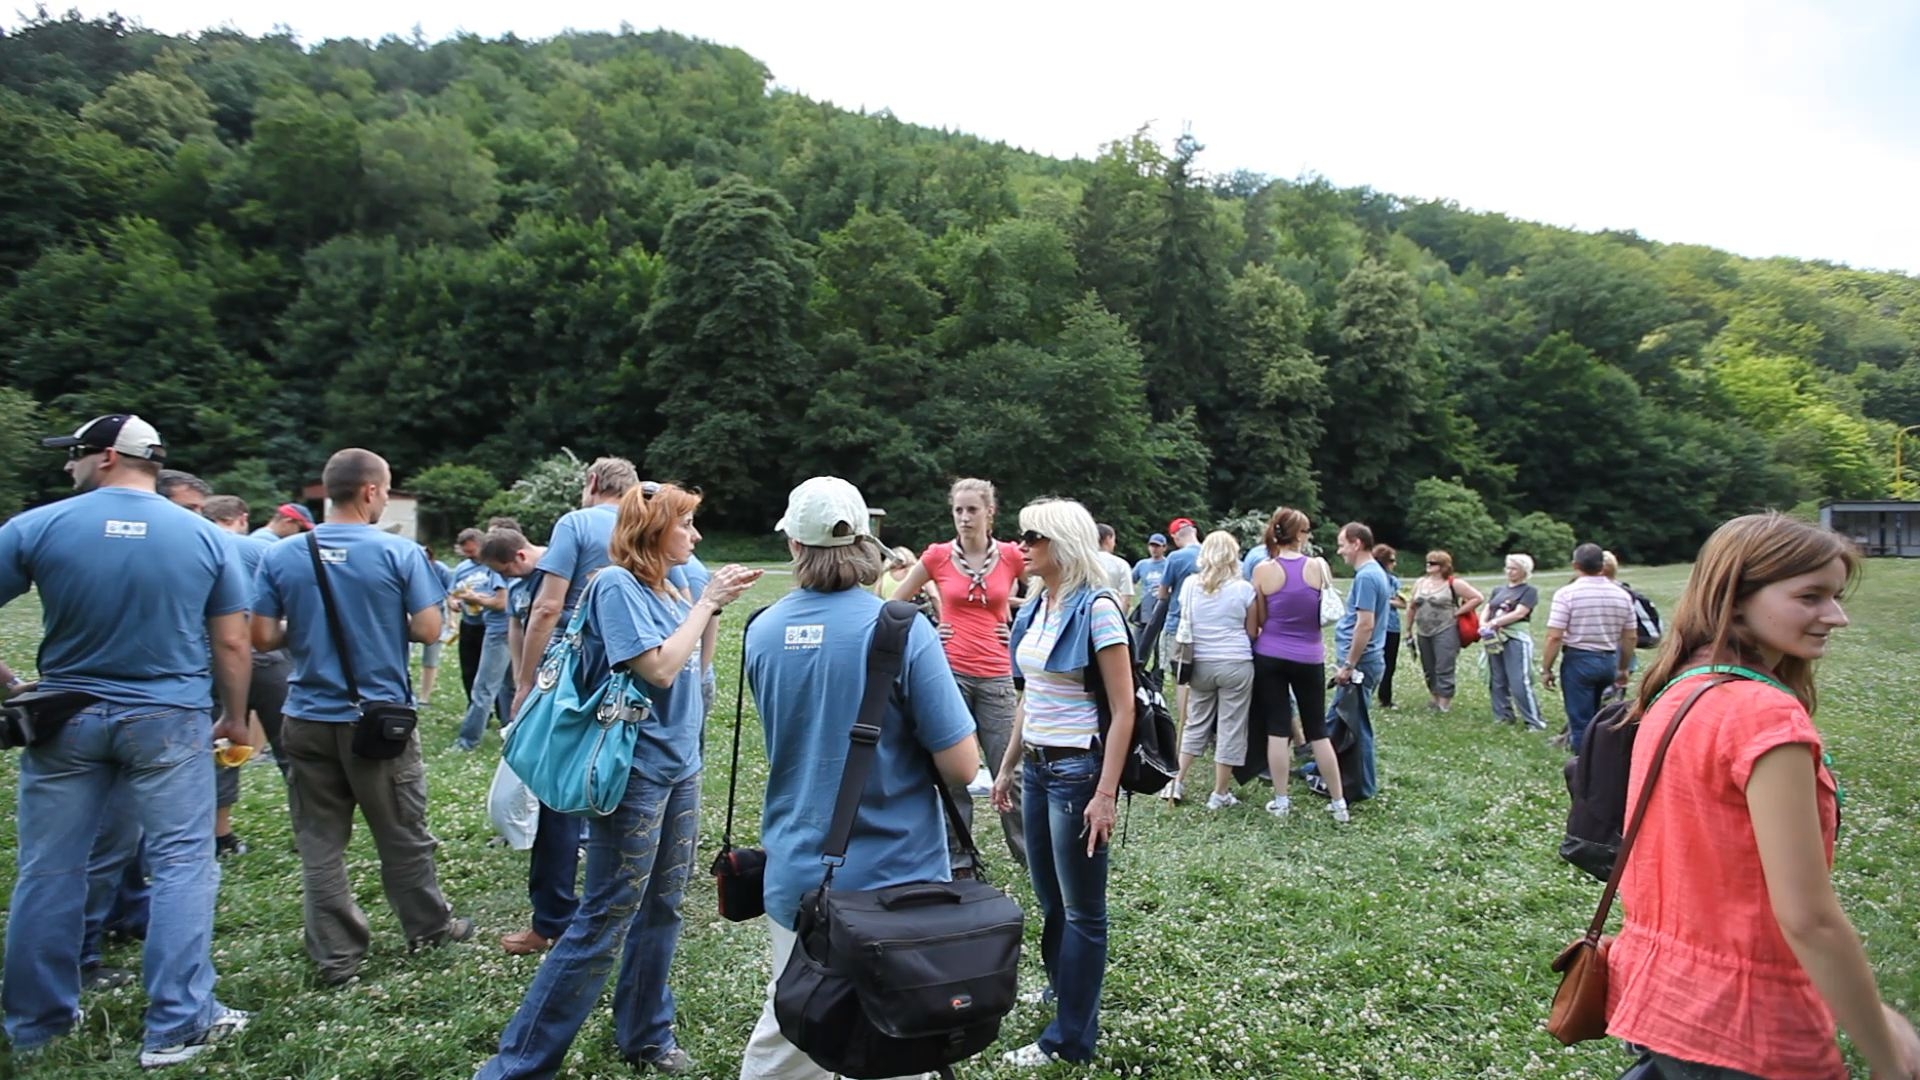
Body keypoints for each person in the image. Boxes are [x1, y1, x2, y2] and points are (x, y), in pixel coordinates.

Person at [1608, 512, 1920, 1080]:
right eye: (1811, 596)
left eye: (1835, 595)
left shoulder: (1681, 687)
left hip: (1667, 996)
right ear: (1738, 595)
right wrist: (1887, 1052)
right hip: (1748, 1024)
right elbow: (1808, 918)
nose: (1837, 616)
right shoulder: (1762, 713)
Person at [476, 484, 761, 1079]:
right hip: (633, 775)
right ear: (653, 531)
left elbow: (686, 659)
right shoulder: (615, 585)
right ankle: (516, 1066)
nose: (697, 535)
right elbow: (657, 667)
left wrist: (701, 603)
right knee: (605, 915)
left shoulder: (667, 587)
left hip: (680, 767)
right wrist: (706, 604)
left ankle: (646, 1035)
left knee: (664, 906)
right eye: (686, 524)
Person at [1, 414, 254, 1066]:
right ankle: (179, 1023)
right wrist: (234, 715)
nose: (68, 467)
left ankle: (35, 1022)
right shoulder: (206, 537)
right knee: (181, 864)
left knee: (49, 867)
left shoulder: (37, 526)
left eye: (76, 455)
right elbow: (231, 640)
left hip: (65, 713)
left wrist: (12, 685)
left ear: (107, 457)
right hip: (168, 718)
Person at [738, 477, 977, 1080]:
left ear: (793, 546)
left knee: (798, 1028)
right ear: (869, 543)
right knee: (896, 1043)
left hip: (799, 874)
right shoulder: (900, 629)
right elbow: (962, 765)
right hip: (897, 882)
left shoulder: (760, 631)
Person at [252, 448, 471, 985]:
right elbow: (426, 629)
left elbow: (261, 636)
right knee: (401, 831)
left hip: (304, 716)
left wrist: (304, 631)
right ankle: (429, 928)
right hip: (377, 723)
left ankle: (336, 957)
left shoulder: (282, 554)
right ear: (372, 491)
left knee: (320, 841)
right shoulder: (398, 554)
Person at [993, 498, 1133, 1067]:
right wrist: (1006, 764)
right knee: (1050, 897)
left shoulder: (1097, 608)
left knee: (1082, 911)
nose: (1021, 545)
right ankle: (1063, 989)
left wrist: (1104, 794)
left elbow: (1123, 710)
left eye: (1033, 536)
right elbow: (1031, 697)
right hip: (1037, 767)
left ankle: (1069, 1039)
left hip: (1078, 772)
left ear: (1062, 543)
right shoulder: (1036, 607)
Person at [889, 477, 1027, 870]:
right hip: (948, 674)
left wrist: (1020, 627)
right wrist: (930, 629)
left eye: (972, 510)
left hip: (998, 674)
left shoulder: (1013, 556)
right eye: (958, 510)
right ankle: (958, 855)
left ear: (990, 513)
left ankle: (1027, 853)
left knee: (1009, 770)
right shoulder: (937, 556)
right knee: (952, 772)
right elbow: (893, 604)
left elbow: (1053, 589)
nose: (964, 518)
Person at [1249, 508, 1347, 820]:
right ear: (1300, 534)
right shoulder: (1319, 567)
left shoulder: (1263, 570)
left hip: (1271, 654)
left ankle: (1281, 800)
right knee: (1317, 730)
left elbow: (1261, 617)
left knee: (1278, 729)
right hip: (1309, 655)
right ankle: (1338, 802)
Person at [1169, 530, 1258, 809]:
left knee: (1195, 722)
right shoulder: (1244, 589)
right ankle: (1219, 793)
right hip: (1235, 662)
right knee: (1231, 726)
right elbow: (1252, 630)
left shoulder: (1190, 585)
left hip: (1200, 662)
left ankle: (1177, 782)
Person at [1314, 522, 1391, 809]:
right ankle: (1320, 769)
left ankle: (1361, 787)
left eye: (1342, 544)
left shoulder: (1368, 577)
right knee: (1335, 720)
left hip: (1360, 665)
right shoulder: (1370, 574)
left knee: (1357, 727)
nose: (1340, 550)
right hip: (1360, 663)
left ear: (1357, 543)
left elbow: (1365, 624)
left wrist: (1349, 665)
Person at [1539, 542, 1637, 754]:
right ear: (1602, 565)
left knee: (1580, 720)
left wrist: (1546, 668)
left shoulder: (1567, 594)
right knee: (1598, 715)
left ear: (1575, 565)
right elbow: (1630, 636)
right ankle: (1601, 757)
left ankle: (1584, 765)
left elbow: (1554, 636)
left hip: (1579, 659)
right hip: (1609, 659)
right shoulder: (1622, 595)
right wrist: (1623, 668)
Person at [450, 548, 512, 751]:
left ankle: (467, 742)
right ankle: (512, 735)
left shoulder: (497, 567)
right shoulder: (509, 566)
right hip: (511, 629)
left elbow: (501, 602)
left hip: (498, 632)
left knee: (484, 689)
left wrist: (476, 599)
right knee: (509, 687)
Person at [1408, 550, 1483, 713]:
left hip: (1446, 629)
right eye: (1428, 562)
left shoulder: (1453, 583)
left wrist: (1458, 612)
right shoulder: (1420, 582)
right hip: (1423, 630)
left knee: (1444, 665)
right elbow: (1412, 606)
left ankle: (1444, 703)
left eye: (1433, 563)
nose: (1429, 565)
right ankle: (1434, 698)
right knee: (1428, 666)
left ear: (1443, 566)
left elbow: (1477, 597)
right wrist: (1408, 629)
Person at [1479, 553, 1545, 730]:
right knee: (1496, 678)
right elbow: (1488, 608)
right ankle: (1503, 716)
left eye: (1514, 568)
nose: (1509, 571)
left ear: (1524, 571)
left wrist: (1495, 623)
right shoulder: (1498, 590)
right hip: (1493, 637)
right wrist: (1484, 623)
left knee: (1518, 680)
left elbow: (1520, 613)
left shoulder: (1528, 591)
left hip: (1514, 638)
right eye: (1508, 567)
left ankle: (1534, 720)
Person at [450, 528, 490, 705]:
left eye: (472, 551)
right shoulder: (462, 568)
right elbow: (452, 593)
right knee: (468, 668)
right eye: (466, 552)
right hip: (468, 623)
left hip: (488, 624)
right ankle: (473, 705)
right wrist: (453, 602)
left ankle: (495, 707)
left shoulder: (492, 565)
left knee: (489, 670)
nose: (469, 556)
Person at [415, 545, 454, 707]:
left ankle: (424, 697)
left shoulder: (441, 571)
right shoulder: (410, 569)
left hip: (437, 615)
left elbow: (452, 595)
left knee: (430, 659)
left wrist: (452, 620)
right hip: (413, 614)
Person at [1374, 545, 1405, 710]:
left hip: (1392, 626)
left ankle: (1385, 698)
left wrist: (1385, 600)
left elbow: (1403, 602)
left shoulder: (1393, 580)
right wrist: (1388, 599)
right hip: (1374, 625)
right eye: (1391, 561)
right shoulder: (1371, 577)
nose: (1394, 564)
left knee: (1389, 664)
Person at [874, 545, 939, 622]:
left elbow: (877, 599)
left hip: (893, 621)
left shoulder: (883, 577)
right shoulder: (918, 571)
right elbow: (934, 595)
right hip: (919, 618)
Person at [1130, 532, 1169, 634]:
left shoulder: (1168, 564)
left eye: (1157, 546)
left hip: (1162, 604)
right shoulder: (1142, 564)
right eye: (1152, 546)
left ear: (1164, 548)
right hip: (1146, 604)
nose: (1154, 549)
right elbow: (1130, 582)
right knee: (1140, 635)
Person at [1094, 524, 1134, 601]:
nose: (1114, 544)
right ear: (1108, 538)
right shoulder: (1121, 564)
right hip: (1112, 609)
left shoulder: (1083, 563)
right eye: (1114, 540)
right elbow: (1126, 597)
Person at [249, 502, 314, 541]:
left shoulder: (262, 536)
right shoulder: (266, 540)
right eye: (301, 529)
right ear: (287, 522)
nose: (299, 534)